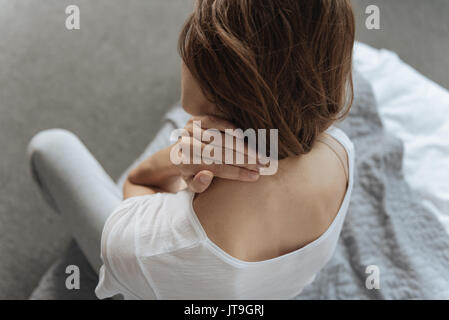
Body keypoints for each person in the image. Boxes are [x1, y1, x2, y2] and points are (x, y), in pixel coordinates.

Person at [28, 0, 355, 299]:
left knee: (50, 147)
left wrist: (175, 158)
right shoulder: (341, 151)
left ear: (210, 79)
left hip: (157, 277)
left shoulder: (155, 246)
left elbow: (140, 181)